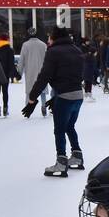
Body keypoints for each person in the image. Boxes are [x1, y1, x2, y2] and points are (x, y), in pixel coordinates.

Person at [22, 27, 85, 176]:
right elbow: (75, 75)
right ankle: (77, 156)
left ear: (54, 38)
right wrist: (55, 97)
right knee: (70, 126)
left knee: (59, 130)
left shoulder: (53, 52)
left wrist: (32, 98)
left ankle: (61, 163)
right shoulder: (76, 50)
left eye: (50, 37)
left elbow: (44, 76)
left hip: (64, 96)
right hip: (77, 95)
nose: (48, 40)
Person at [19, 30, 49, 116]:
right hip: (42, 71)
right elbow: (47, 59)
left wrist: (19, 73)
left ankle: (27, 109)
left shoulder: (25, 45)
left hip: (30, 72)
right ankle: (44, 107)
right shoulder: (43, 45)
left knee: (29, 91)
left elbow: (21, 60)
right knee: (42, 90)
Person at [0, 28, 17, 117]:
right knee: (5, 91)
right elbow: (11, 64)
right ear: (7, 39)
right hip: (5, 73)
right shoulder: (9, 50)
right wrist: (13, 74)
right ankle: (5, 108)